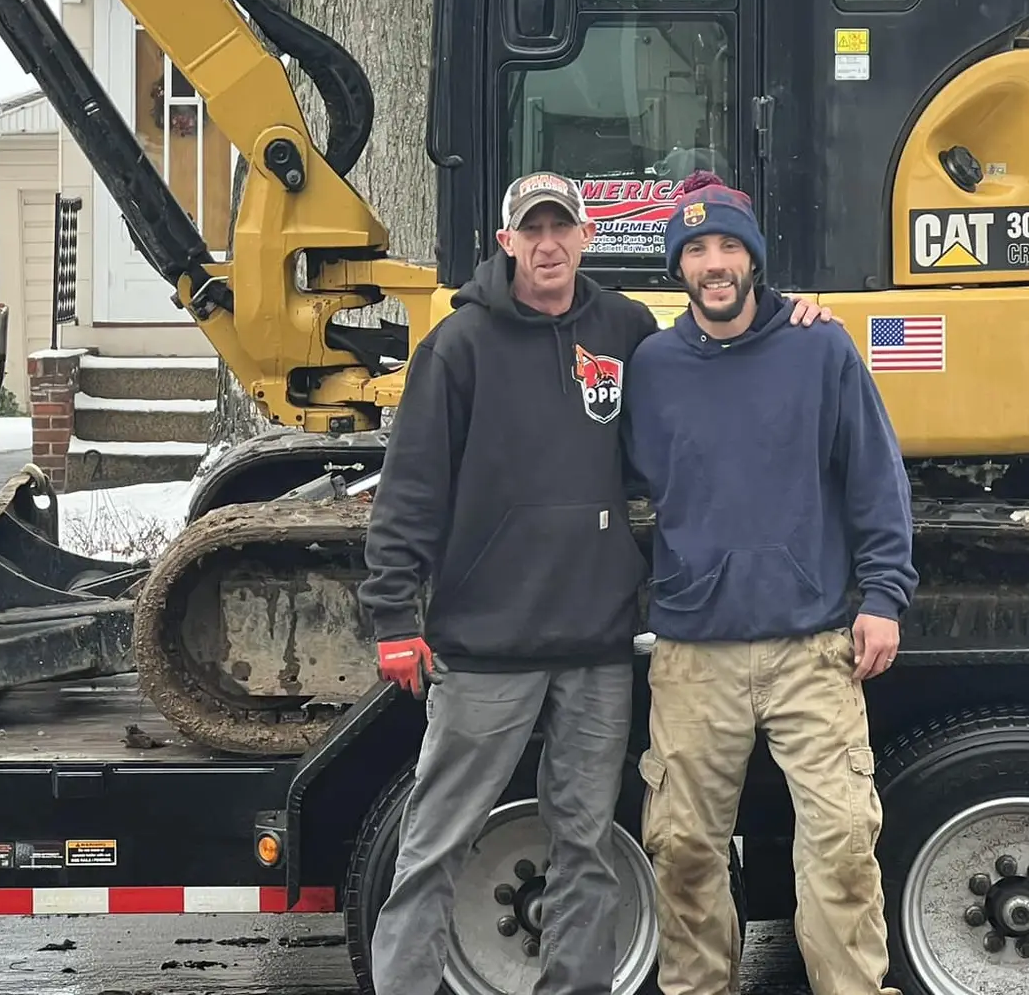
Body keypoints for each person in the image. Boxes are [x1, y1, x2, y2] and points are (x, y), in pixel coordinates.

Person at [359, 170, 831, 995]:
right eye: (531, 231)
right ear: (507, 243)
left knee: (586, 847)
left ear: (585, 237)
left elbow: (716, 344)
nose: (548, 245)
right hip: (486, 648)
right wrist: (395, 615)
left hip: (595, 648)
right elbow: (411, 488)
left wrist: (791, 310)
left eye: (562, 229)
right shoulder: (458, 346)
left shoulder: (624, 328)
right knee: (435, 844)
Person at [624, 171, 917, 995]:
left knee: (841, 844)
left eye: (727, 246)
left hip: (811, 646)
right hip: (693, 653)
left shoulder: (819, 346)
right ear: (679, 267)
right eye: (696, 250)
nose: (714, 264)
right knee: (682, 849)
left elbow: (874, 478)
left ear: (752, 260)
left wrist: (884, 598)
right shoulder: (651, 367)